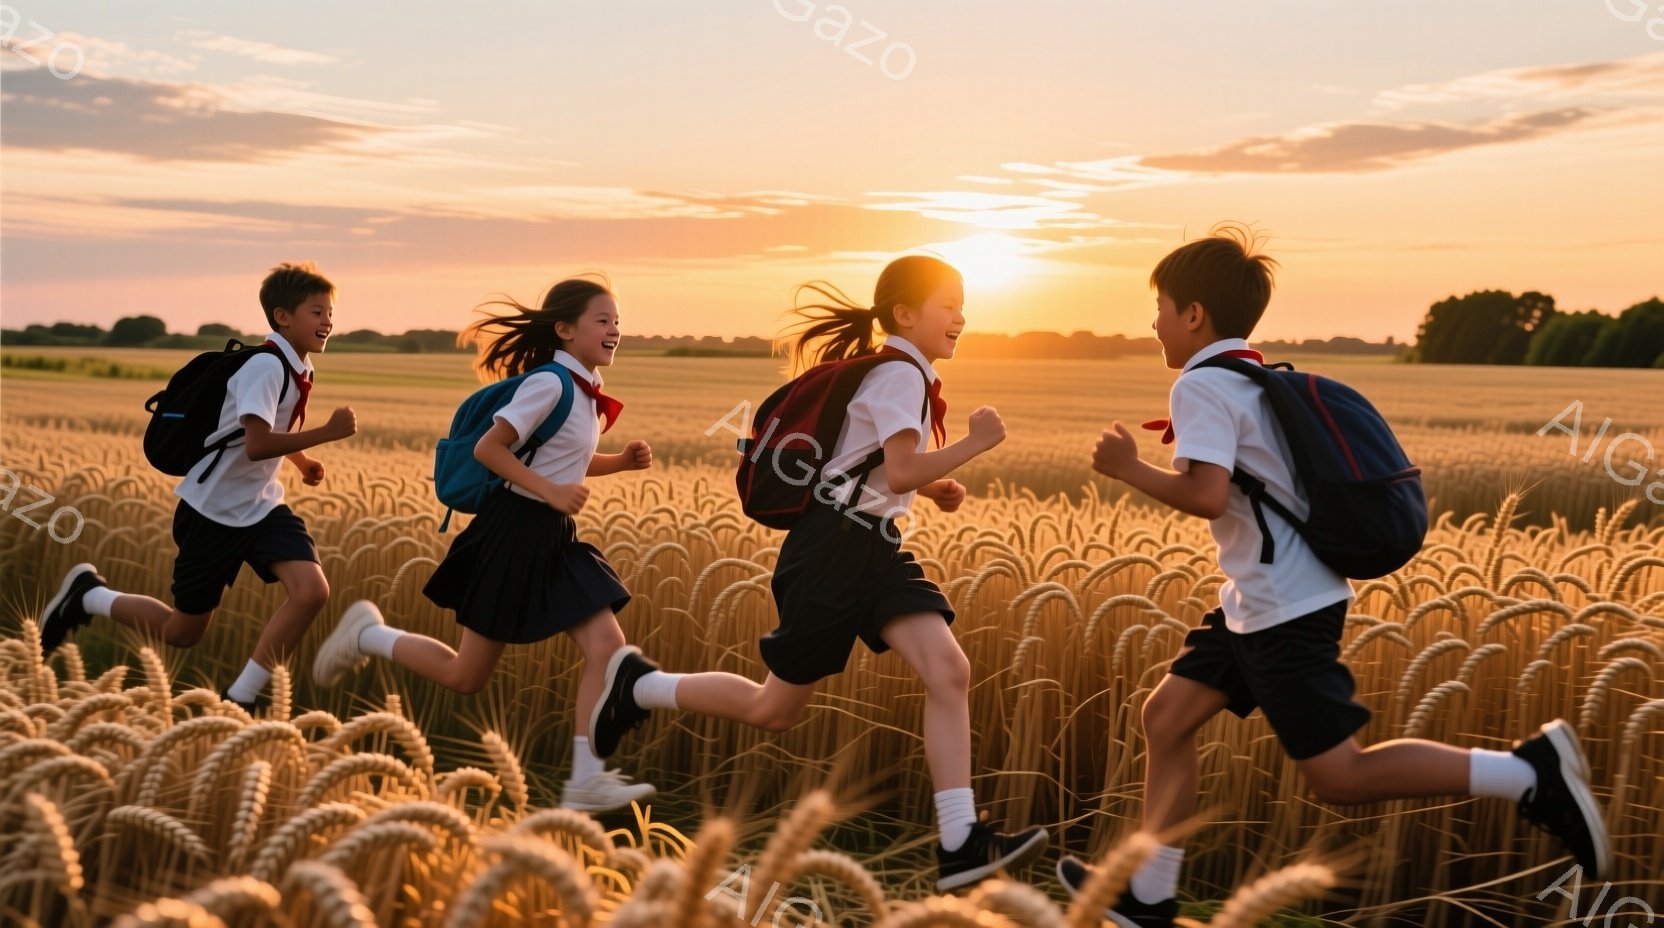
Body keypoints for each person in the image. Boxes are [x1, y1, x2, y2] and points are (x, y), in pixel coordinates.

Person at [1057, 226, 1610, 927]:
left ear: (1195, 314)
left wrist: (1127, 467)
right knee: (1165, 717)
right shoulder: (1256, 379)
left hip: (1282, 607)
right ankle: (1149, 897)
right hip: (1255, 601)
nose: (1154, 321)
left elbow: (1206, 494)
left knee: (1339, 775)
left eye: (1161, 305)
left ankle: (1529, 773)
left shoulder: (1202, 383)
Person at [585, 255, 1050, 891]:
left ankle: (960, 841)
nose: (961, 316)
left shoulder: (896, 374)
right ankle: (639, 686)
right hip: (832, 552)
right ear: (905, 314)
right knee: (772, 708)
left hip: (872, 545)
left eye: (963, 304)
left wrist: (932, 487)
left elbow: (874, 466)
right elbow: (900, 467)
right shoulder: (899, 376)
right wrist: (975, 443)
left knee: (949, 669)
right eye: (949, 304)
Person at [310, 275, 657, 813]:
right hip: (513, 533)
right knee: (465, 675)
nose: (615, 330)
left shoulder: (584, 393)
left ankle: (587, 778)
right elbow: (490, 451)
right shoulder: (549, 384)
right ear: (565, 330)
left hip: (554, 537)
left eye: (618, 321)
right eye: (603, 320)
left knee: (608, 651)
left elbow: (559, 459)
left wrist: (619, 464)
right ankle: (369, 635)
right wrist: (549, 491)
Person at [40, 262, 356, 713]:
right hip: (212, 512)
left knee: (311, 591)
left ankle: (241, 697)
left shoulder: (297, 365)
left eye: (331, 312)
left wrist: (302, 461)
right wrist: (326, 432)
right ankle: (88, 595)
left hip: (261, 508)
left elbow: (257, 430)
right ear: (283, 316)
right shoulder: (266, 367)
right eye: (317, 311)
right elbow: (256, 443)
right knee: (182, 633)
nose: (328, 320)